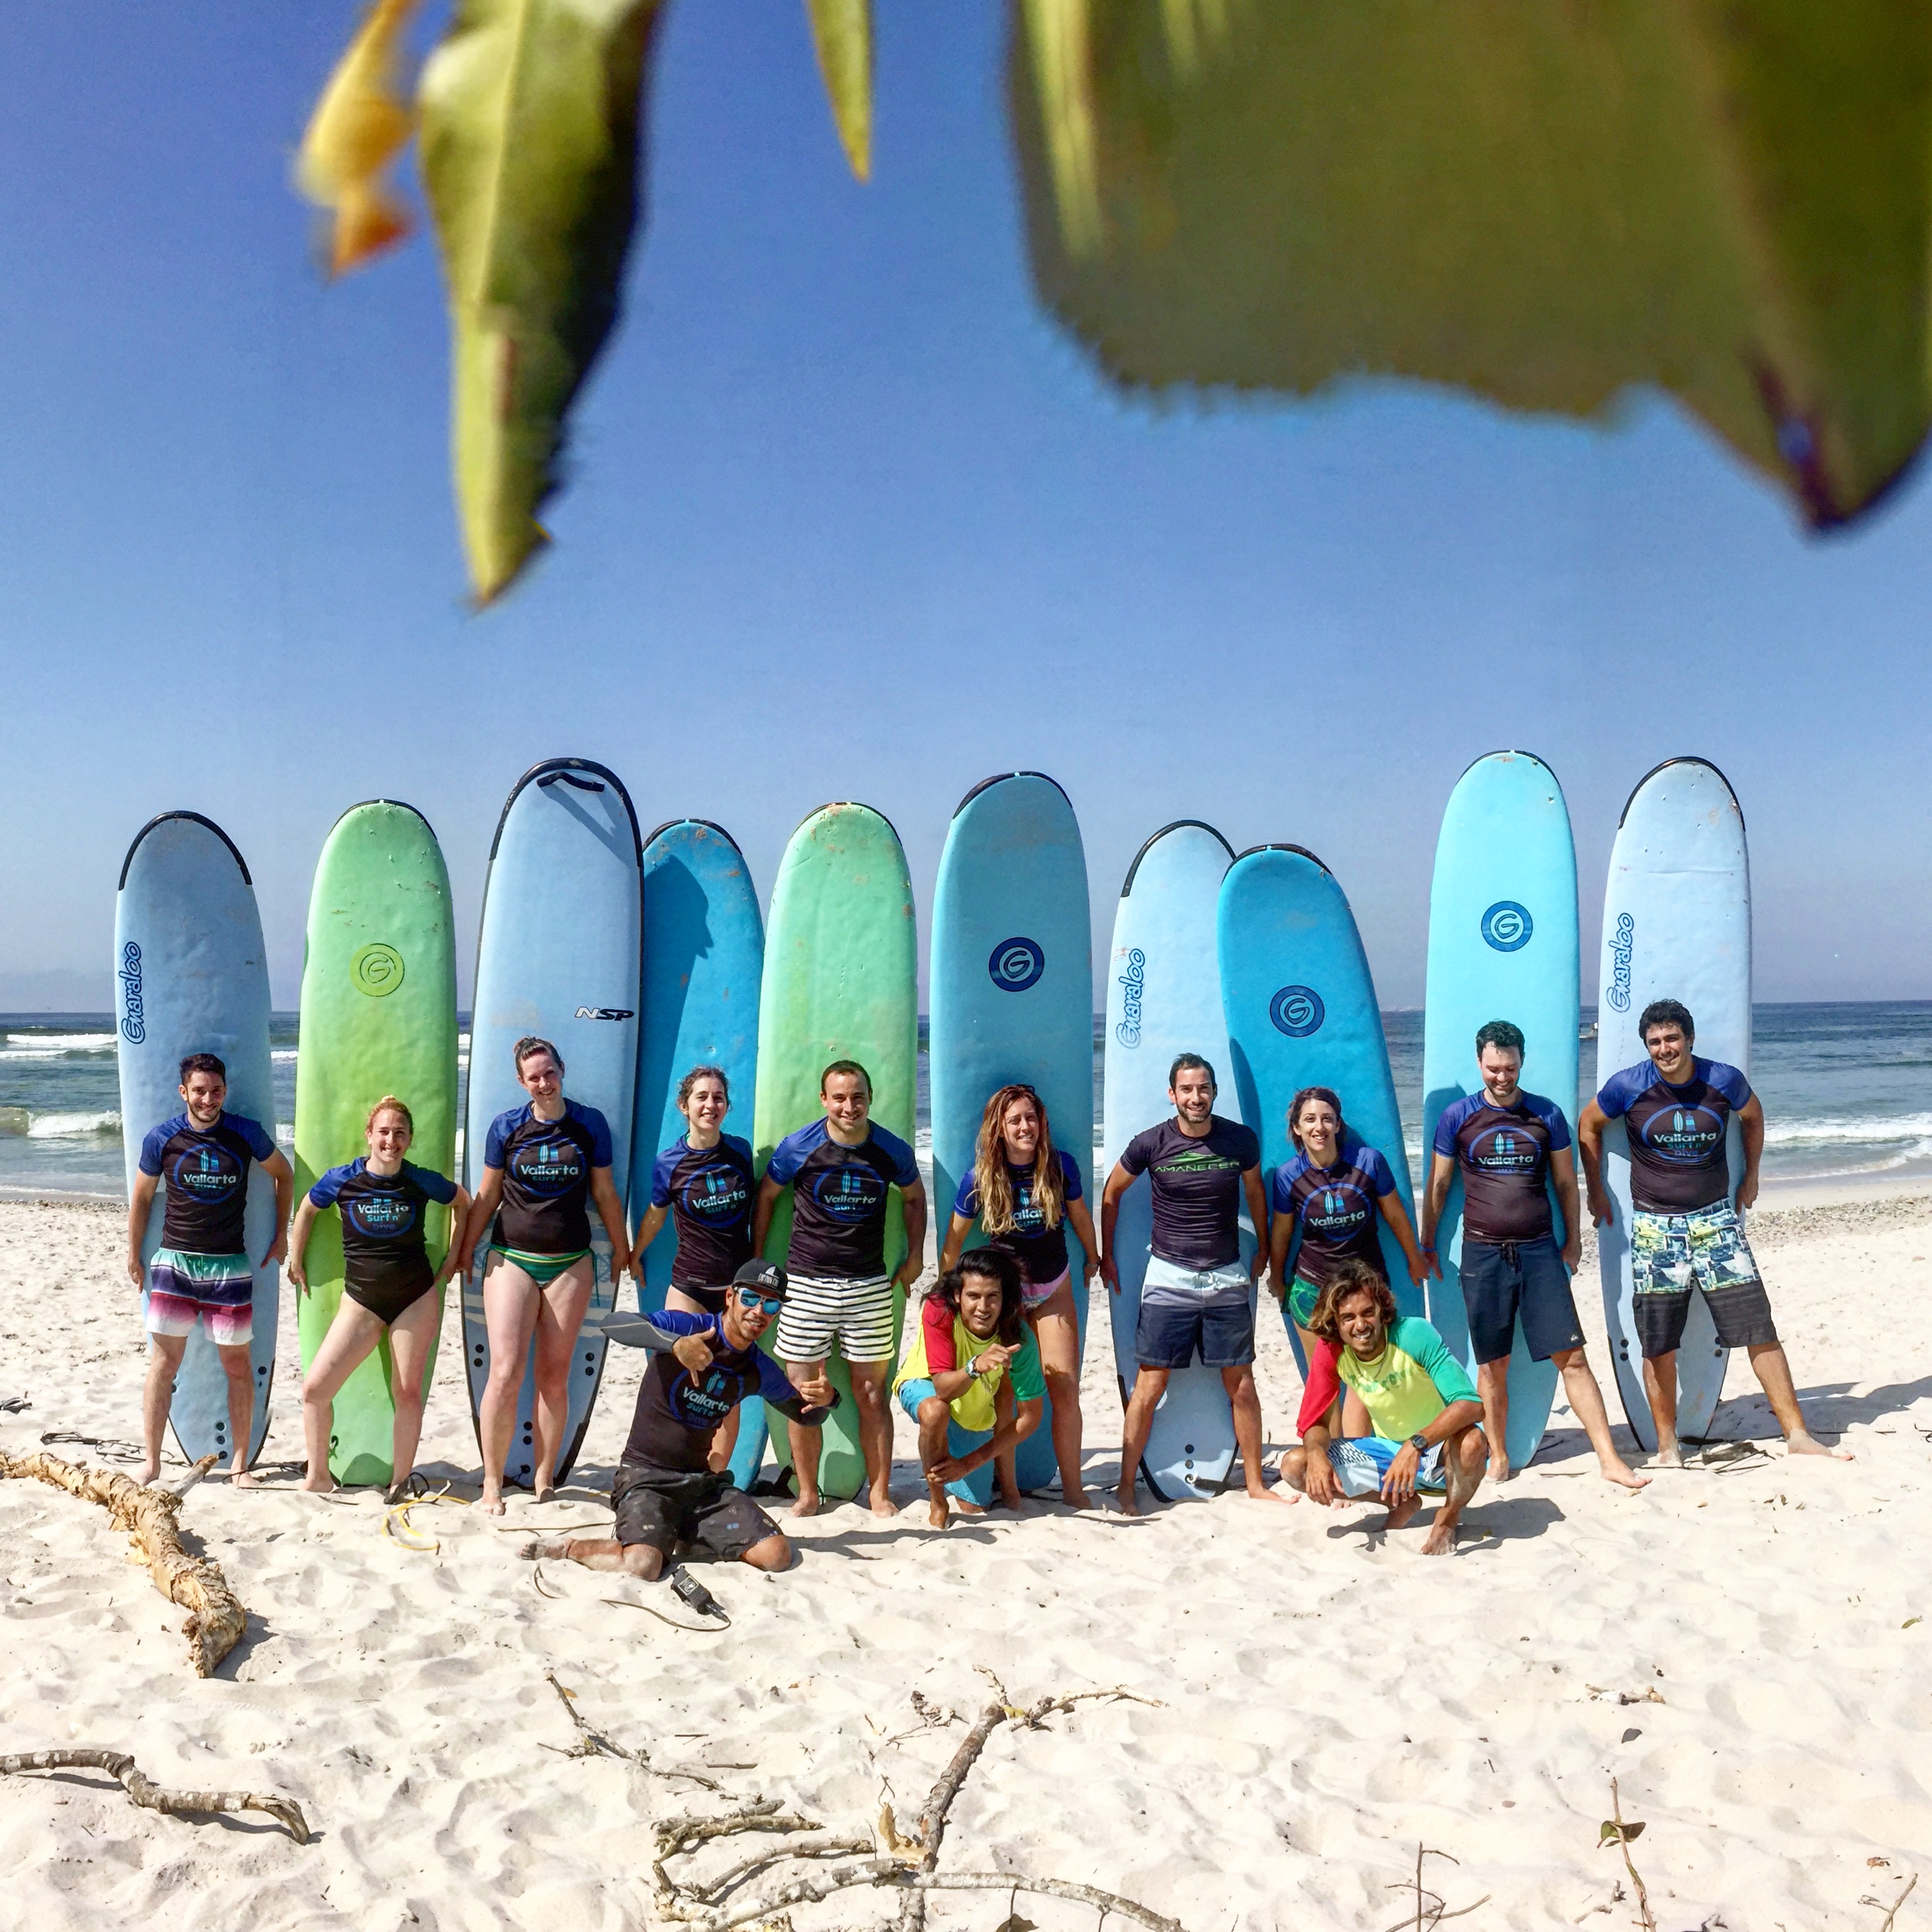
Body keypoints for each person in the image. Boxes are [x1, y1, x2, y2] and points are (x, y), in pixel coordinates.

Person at [1577, 998, 1848, 1465]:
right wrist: (1596, 1191)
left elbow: (1754, 1117)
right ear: (1647, 1046)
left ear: (1690, 1038)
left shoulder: (1722, 1080)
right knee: (1658, 1341)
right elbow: (1588, 1125)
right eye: (1656, 1042)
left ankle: (1798, 1434)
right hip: (1656, 1229)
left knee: (1758, 1326)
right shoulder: (1629, 1086)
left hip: (1716, 1221)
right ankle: (1667, 1448)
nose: (1665, 1049)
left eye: (1672, 1038)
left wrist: (1752, 1176)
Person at [1422, 1021, 1647, 1491]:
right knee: (1492, 1365)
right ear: (1479, 1063)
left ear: (1521, 1062)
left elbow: (1566, 1182)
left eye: (1509, 1067)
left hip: (1540, 1253)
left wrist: (1575, 1240)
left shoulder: (1546, 1114)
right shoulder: (1458, 1117)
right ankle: (1500, 1455)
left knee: (1574, 1359)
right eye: (1492, 1068)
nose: (1501, 1077)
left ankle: (1608, 1457)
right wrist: (1428, 1242)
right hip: (1482, 1254)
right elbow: (1440, 1184)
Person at [524, 1260, 837, 1580]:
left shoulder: (757, 1368)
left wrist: (830, 1400)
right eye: (750, 1298)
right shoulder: (687, 1328)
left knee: (776, 1556)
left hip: (701, 1484)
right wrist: (674, 1345)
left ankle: (688, 1532)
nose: (759, 1311)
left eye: (771, 1304)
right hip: (645, 1477)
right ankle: (570, 1547)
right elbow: (614, 1324)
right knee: (643, 1566)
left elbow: (806, 1418)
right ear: (730, 1296)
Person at [1098, 1053, 1284, 1516]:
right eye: (1186, 1089)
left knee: (1240, 1385)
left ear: (1214, 1091)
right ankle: (1125, 1485)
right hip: (1169, 1276)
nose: (1195, 1097)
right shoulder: (1151, 1143)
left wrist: (1262, 1246)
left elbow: (1256, 1193)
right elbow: (1111, 1193)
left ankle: (1257, 1483)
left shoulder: (1239, 1140)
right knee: (1151, 1384)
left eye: (1203, 1088)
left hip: (1225, 1274)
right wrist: (1106, 1254)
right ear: (1173, 1094)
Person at [455, 1036, 633, 1513]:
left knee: (554, 1375)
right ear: (522, 1082)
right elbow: (487, 1195)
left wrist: (621, 1247)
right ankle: (492, 1481)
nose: (543, 1082)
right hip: (512, 1257)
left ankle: (545, 1476)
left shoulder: (588, 1124)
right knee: (507, 1370)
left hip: (571, 1263)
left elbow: (606, 1193)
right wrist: (465, 1248)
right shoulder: (506, 1127)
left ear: (561, 1070)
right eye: (534, 1076)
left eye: (549, 1072)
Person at [753, 1059, 926, 1519]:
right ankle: (808, 1494)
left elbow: (914, 1197)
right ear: (824, 1100)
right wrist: (758, 1260)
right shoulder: (799, 1147)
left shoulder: (891, 1150)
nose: (850, 1106)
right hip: (806, 1284)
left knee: (872, 1395)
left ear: (870, 1098)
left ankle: (880, 1492)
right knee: (803, 1393)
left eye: (858, 1097)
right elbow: (767, 1196)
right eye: (840, 1097)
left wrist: (915, 1256)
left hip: (868, 1286)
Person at [288, 1096, 471, 1499]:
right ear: (369, 1135)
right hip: (361, 1300)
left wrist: (456, 1256)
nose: (391, 1140)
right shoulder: (344, 1179)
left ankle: (400, 1481)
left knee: (407, 1392)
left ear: (409, 1140)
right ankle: (318, 1475)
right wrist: (295, 1257)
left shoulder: (421, 1180)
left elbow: (463, 1202)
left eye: (400, 1133)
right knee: (315, 1390)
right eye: (384, 1132)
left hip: (415, 1297)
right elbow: (307, 1210)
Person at [126, 1052, 294, 1489]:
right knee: (164, 1364)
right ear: (184, 1092)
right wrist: (133, 1253)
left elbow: (285, 1175)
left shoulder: (244, 1133)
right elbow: (142, 1198)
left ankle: (240, 1466)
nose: (208, 1099)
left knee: (237, 1366)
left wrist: (281, 1234)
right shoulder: (162, 1138)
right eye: (199, 1091)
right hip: (174, 1265)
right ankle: (151, 1463)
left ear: (224, 1092)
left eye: (215, 1090)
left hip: (229, 1268)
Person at [937, 1083, 1099, 1507]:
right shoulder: (980, 1178)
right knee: (1007, 1395)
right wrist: (948, 1293)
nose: (1025, 1126)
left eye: (1031, 1118)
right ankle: (1008, 1489)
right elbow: (953, 1242)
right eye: (1015, 1120)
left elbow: (1081, 1217)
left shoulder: (1060, 1166)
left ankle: (1073, 1489)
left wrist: (1095, 1257)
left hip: (1053, 1289)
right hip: (1004, 1300)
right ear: (1000, 1128)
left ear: (1042, 1121)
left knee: (1063, 1388)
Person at [1281, 1258, 1489, 1555]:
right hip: (1387, 1451)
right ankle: (1400, 1500)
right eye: (1348, 1318)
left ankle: (1449, 1516)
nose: (1361, 1325)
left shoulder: (1413, 1334)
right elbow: (1316, 1423)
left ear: (1383, 1311)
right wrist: (1316, 1454)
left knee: (1473, 1442)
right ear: (1335, 1323)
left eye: (1368, 1313)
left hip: (1440, 1450)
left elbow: (1471, 1405)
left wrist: (1415, 1445)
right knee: (1295, 1465)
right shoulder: (1332, 1351)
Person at [632, 1064, 758, 1472]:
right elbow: (655, 1214)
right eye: (701, 1097)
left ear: (726, 1106)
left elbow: (763, 1210)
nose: (710, 1104)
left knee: (727, 1387)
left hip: (735, 1294)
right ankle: (675, 1464)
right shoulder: (670, 1162)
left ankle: (715, 1474)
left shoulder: (740, 1152)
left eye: (718, 1097)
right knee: (675, 1377)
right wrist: (636, 1252)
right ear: (684, 1106)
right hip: (688, 1284)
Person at [1267, 1085, 1431, 1366]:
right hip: (1313, 1288)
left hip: (1366, 1287)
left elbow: (1394, 1214)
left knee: (1374, 1375)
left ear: (1338, 1124)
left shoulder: (1369, 1162)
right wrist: (1277, 1276)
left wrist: (1414, 1257)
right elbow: (1282, 1231)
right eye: (1310, 1119)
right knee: (1323, 1383)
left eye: (1327, 1118)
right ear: (1296, 1128)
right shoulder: (1287, 1176)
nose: (1320, 1127)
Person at [895, 1247, 1046, 1528]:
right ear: (957, 1296)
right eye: (973, 1296)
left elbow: (1030, 1417)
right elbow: (942, 1390)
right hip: (926, 1383)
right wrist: (975, 1366)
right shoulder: (939, 1309)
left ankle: (962, 1459)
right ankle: (937, 1501)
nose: (983, 1307)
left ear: (1005, 1299)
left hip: (972, 1406)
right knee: (935, 1412)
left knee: (975, 1507)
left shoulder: (1019, 1337)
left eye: (993, 1297)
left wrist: (969, 1465)